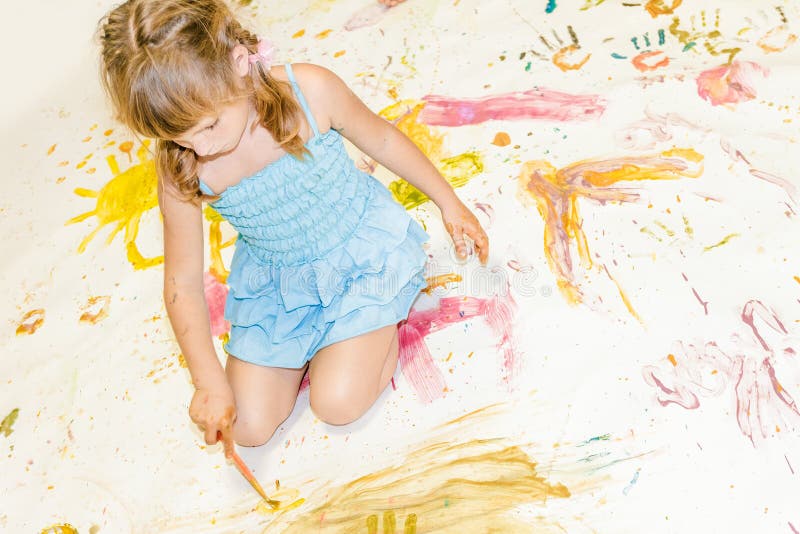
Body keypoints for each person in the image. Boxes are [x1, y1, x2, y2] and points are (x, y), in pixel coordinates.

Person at [99, 0, 488, 458]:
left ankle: (381, 316)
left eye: (207, 126)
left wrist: (449, 202)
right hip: (278, 281)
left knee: (338, 403)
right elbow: (182, 282)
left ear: (239, 64)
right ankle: (323, 345)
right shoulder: (182, 163)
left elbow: (381, 138)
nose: (199, 146)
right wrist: (208, 384)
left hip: (359, 256)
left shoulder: (309, 91)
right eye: (180, 136)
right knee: (246, 426)